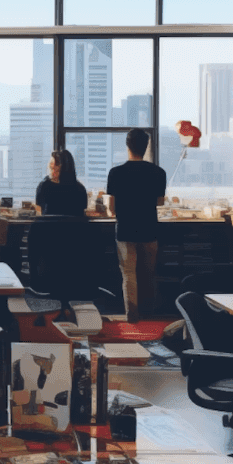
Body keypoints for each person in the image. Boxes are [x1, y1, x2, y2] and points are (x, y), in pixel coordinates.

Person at [105, 129, 167, 322]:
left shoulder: (116, 172)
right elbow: (160, 202)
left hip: (125, 230)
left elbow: (111, 209)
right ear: (146, 146)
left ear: (127, 145)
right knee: (148, 273)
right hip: (149, 229)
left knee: (129, 275)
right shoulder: (158, 172)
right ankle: (149, 313)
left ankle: (132, 316)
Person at [34, 149, 89, 217]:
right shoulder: (80, 189)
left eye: (56, 169)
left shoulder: (44, 186)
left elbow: (39, 213)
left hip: (49, 227)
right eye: (52, 168)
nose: (52, 168)